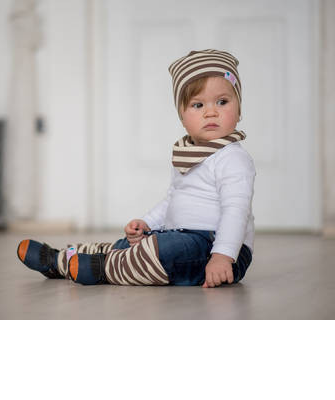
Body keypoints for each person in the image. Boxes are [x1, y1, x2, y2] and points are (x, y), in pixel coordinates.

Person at [17, 49, 256, 288]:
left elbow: (236, 210)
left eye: (222, 102)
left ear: (239, 109)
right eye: (198, 104)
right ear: (182, 117)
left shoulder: (232, 158)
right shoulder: (188, 153)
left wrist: (223, 256)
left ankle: (100, 268)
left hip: (218, 248)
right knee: (133, 246)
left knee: (163, 250)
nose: (211, 112)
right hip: (180, 237)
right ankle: (61, 259)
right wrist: (147, 223)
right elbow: (173, 199)